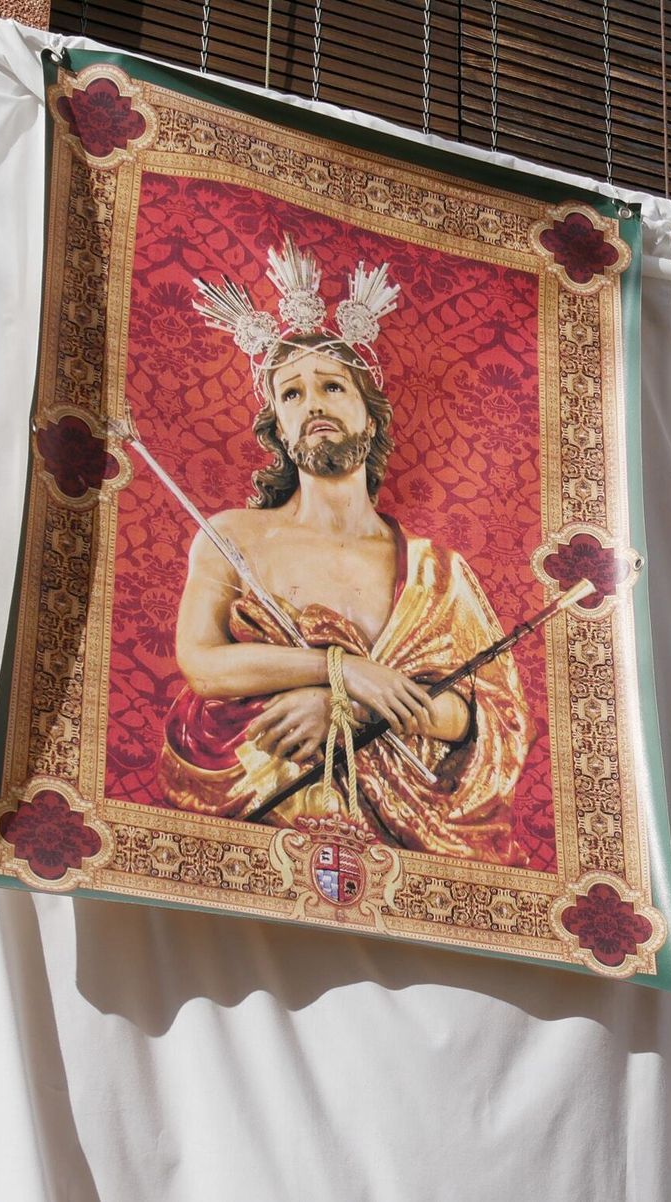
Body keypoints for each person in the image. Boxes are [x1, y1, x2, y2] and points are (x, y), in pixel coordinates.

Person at [163, 245, 531, 865]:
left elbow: (479, 716)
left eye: (332, 386)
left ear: (368, 413)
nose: (313, 406)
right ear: (278, 426)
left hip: (408, 837)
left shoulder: (437, 571)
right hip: (262, 812)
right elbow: (201, 663)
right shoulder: (233, 535)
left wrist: (348, 705)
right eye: (292, 395)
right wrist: (343, 668)